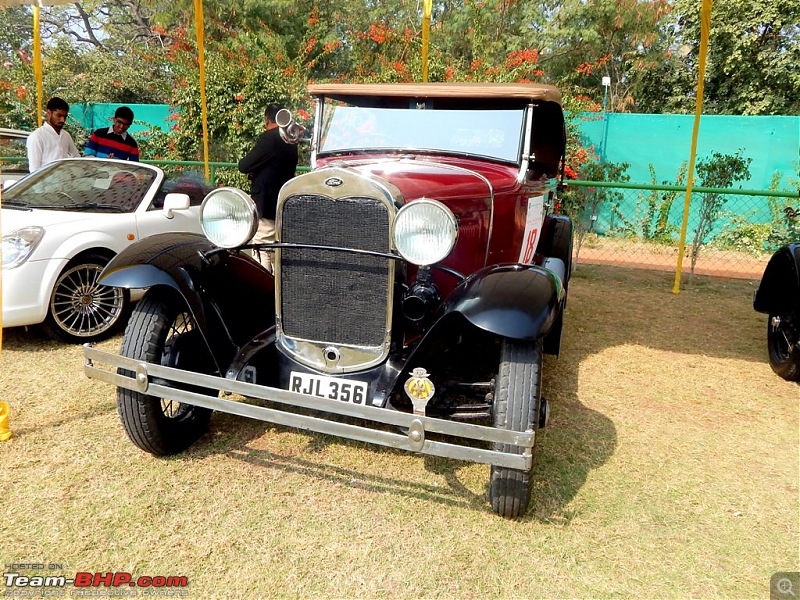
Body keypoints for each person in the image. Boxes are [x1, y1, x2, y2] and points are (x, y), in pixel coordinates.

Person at [238, 103, 299, 271]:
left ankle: (263, 289)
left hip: (265, 203)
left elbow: (244, 165)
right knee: (275, 249)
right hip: (282, 200)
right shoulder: (291, 139)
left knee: (261, 248)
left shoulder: (270, 139)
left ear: (267, 119)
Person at [26, 96, 80, 172]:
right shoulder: (37, 136)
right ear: (48, 113)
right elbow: (34, 170)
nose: (62, 120)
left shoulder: (66, 135)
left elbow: (76, 157)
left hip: (65, 181)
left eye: (65, 117)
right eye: (59, 115)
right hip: (46, 182)